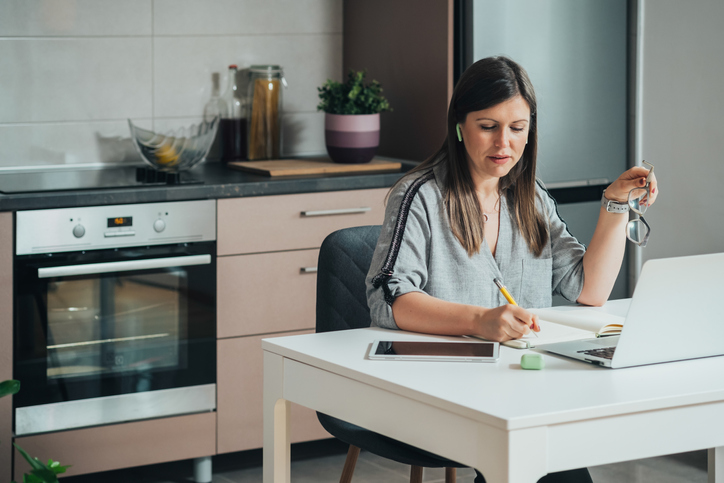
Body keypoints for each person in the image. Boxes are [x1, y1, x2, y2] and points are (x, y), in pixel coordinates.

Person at [365, 56, 658, 483]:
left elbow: (588, 288)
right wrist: (480, 320)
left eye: (517, 128)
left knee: (546, 457)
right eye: (488, 126)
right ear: (460, 126)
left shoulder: (530, 197)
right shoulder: (420, 196)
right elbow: (388, 300)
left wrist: (615, 204)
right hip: (441, 387)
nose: (504, 142)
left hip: (521, 386)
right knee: (541, 458)